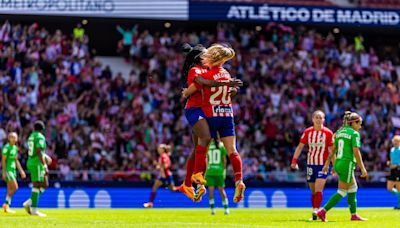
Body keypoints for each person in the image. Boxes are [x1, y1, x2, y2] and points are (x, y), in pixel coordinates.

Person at [179, 43, 242, 202]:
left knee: (199, 148)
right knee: (205, 140)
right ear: (199, 58)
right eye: (204, 55)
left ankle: (191, 185)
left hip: (209, 110)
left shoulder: (211, 70)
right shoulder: (197, 70)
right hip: (195, 109)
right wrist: (227, 84)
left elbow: (214, 85)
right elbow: (200, 85)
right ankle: (193, 182)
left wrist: (231, 89)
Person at [317, 111, 368, 222]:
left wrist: (328, 165)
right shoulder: (354, 134)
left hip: (339, 163)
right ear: (353, 122)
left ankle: (354, 215)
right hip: (347, 163)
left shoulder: (340, 132)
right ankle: (322, 212)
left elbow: (332, 151)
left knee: (353, 188)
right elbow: (356, 151)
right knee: (342, 191)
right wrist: (363, 168)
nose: (360, 126)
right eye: (359, 123)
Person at [290, 110, 334, 220]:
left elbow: (331, 151)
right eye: (317, 117)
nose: (319, 120)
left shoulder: (328, 133)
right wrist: (294, 161)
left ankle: (317, 211)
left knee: (319, 189)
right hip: (310, 164)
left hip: (323, 165)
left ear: (324, 120)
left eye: (321, 118)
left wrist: (334, 166)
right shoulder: (308, 132)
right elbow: (300, 147)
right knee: (313, 191)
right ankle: (316, 212)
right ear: (312, 119)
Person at [23, 120, 50, 217]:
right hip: (37, 163)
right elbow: (38, 151)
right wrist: (45, 164)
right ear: (42, 129)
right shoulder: (40, 136)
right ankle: (34, 210)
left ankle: (29, 202)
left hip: (31, 161)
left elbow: (37, 151)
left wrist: (45, 156)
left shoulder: (31, 136)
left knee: (45, 184)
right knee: (37, 185)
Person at [143, 144, 178, 208]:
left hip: (166, 175)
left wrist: (160, 167)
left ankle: (186, 189)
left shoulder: (163, 156)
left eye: (159, 148)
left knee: (173, 189)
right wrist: (158, 165)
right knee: (155, 187)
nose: (158, 149)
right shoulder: (164, 155)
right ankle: (150, 203)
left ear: (163, 150)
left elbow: (165, 165)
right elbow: (163, 165)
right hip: (164, 175)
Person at [2, 132, 26, 213]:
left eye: (15, 137)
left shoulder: (15, 148)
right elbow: (3, 160)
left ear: (17, 139)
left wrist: (21, 171)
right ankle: (5, 204)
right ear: (9, 138)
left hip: (13, 170)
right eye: (11, 137)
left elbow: (16, 160)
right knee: (15, 187)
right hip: (8, 170)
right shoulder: (6, 147)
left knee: (10, 189)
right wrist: (4, 172)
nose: (13, 138)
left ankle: (6, 207)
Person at [205, 136, 229, 215]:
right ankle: (226, 209)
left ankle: (212, 210)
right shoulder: (221, 145)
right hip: (219, 171)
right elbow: (224, 160)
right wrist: (224, 170)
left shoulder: (207, 146)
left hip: (210, 171)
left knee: (211, 192)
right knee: (221, 190)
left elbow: (205, 159)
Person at [386, 135, 400, 209]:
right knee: (389, 188)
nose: (395, 142)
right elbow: (391, 160)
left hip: (398, 170)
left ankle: (399, 205)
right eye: (394, 141)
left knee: (398, 188)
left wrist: (397, 165)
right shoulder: (392, 150)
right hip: (392, 170)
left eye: (397, 141)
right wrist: (389, 163)